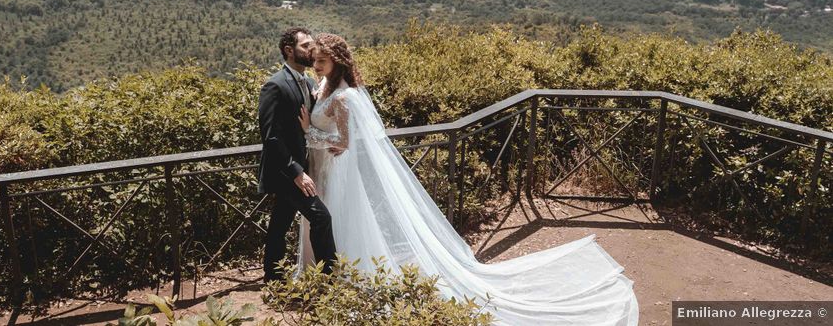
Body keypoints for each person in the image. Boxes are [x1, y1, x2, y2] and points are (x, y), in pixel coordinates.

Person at [296, 33, 639, 325]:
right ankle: (327, 278)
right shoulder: (325, 86)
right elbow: (323, 105)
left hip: (338, 171)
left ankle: (342, 281)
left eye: (322, 62)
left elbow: (343, 142)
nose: (317, 67)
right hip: (324, 169)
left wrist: (309, 130)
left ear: (337, 62)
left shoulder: (343, 97)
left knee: (341, 221)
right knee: (328, 222)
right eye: (315, 62)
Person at [257, 27, 337, 282]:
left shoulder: (311, 83)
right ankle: (328, 280)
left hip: (306, 166)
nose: (311, 49)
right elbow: (270, 136)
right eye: (305, 46)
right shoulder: (274, 85)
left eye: (312, 44)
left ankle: (272, 279)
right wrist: (297, 173)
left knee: (280, 223)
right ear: (289, 51)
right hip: (287, 172)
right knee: (320, 216)